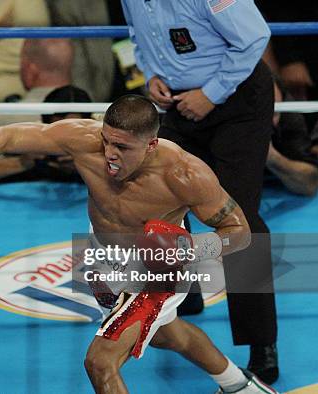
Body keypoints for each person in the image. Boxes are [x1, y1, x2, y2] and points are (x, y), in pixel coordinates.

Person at [0, 95, 279, 394]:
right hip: (103, 258)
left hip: (157, 272)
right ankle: (239, 385)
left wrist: (189, 249)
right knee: (165, 333)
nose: (109, 153)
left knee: (100, 362)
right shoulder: (83, 140)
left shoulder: (184, 175)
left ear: (151, 145)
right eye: (107, 140)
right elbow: (9, 135)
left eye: (122, 147)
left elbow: (239, 233)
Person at [120, 0, 279, 382]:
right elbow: (136, 33)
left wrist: (212, 92)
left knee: (240, 217)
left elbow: (255, 36)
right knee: (161, 201)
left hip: (237, 100)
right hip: (176, 104)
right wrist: (151, 72)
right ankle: (183, 291)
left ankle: (262, 344)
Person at [266, 77, 318, 196]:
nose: (270, 122)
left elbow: (310, 184)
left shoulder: (286, 112)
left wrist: (271, 156)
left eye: (274, 113)